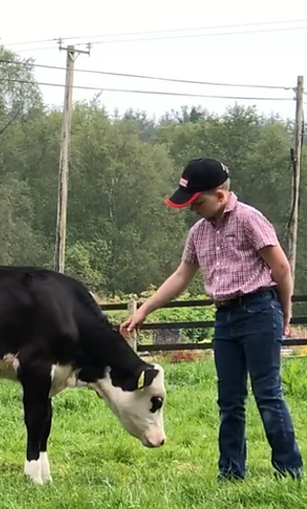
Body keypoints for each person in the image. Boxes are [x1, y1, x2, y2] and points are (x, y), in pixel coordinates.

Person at [119, 156, 302, 481]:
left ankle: (289, 471)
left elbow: (281, 268)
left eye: (197, 202)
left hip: (260, 310)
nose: (193, 209)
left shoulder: (249, 220)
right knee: (229, 400)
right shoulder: (199, 233)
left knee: (268, 394)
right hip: (225, 319)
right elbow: (181, 276)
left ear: (220, 196)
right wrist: (146, 308)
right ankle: (230, 472)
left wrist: (284, 309)